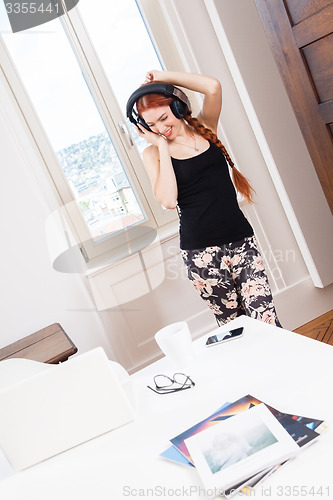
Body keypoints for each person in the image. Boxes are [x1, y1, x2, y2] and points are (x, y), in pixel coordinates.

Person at [129, 69, 282, 327]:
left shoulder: (205, 127)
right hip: (202, 255)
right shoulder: (152, 154)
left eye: (165, 118)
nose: (161, 128)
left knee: (266, 320)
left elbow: (212, 87)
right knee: (236, 328)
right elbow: (167, 200)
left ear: (178, 107)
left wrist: (163, 77)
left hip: (242, 241)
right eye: (152, 125)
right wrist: (163, 147)